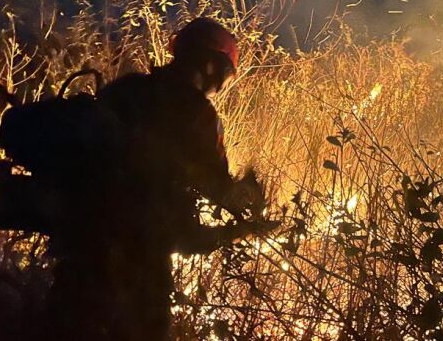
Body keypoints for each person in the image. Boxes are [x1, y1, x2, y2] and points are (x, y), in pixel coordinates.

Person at [43, 17, 274, 341]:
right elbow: (216, 193)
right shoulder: (198, 116)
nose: (223, 85)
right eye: (226, 75)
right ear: (211, 65)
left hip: (80, 248)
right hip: (141, 266)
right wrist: (250, 206)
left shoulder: (127, 89)